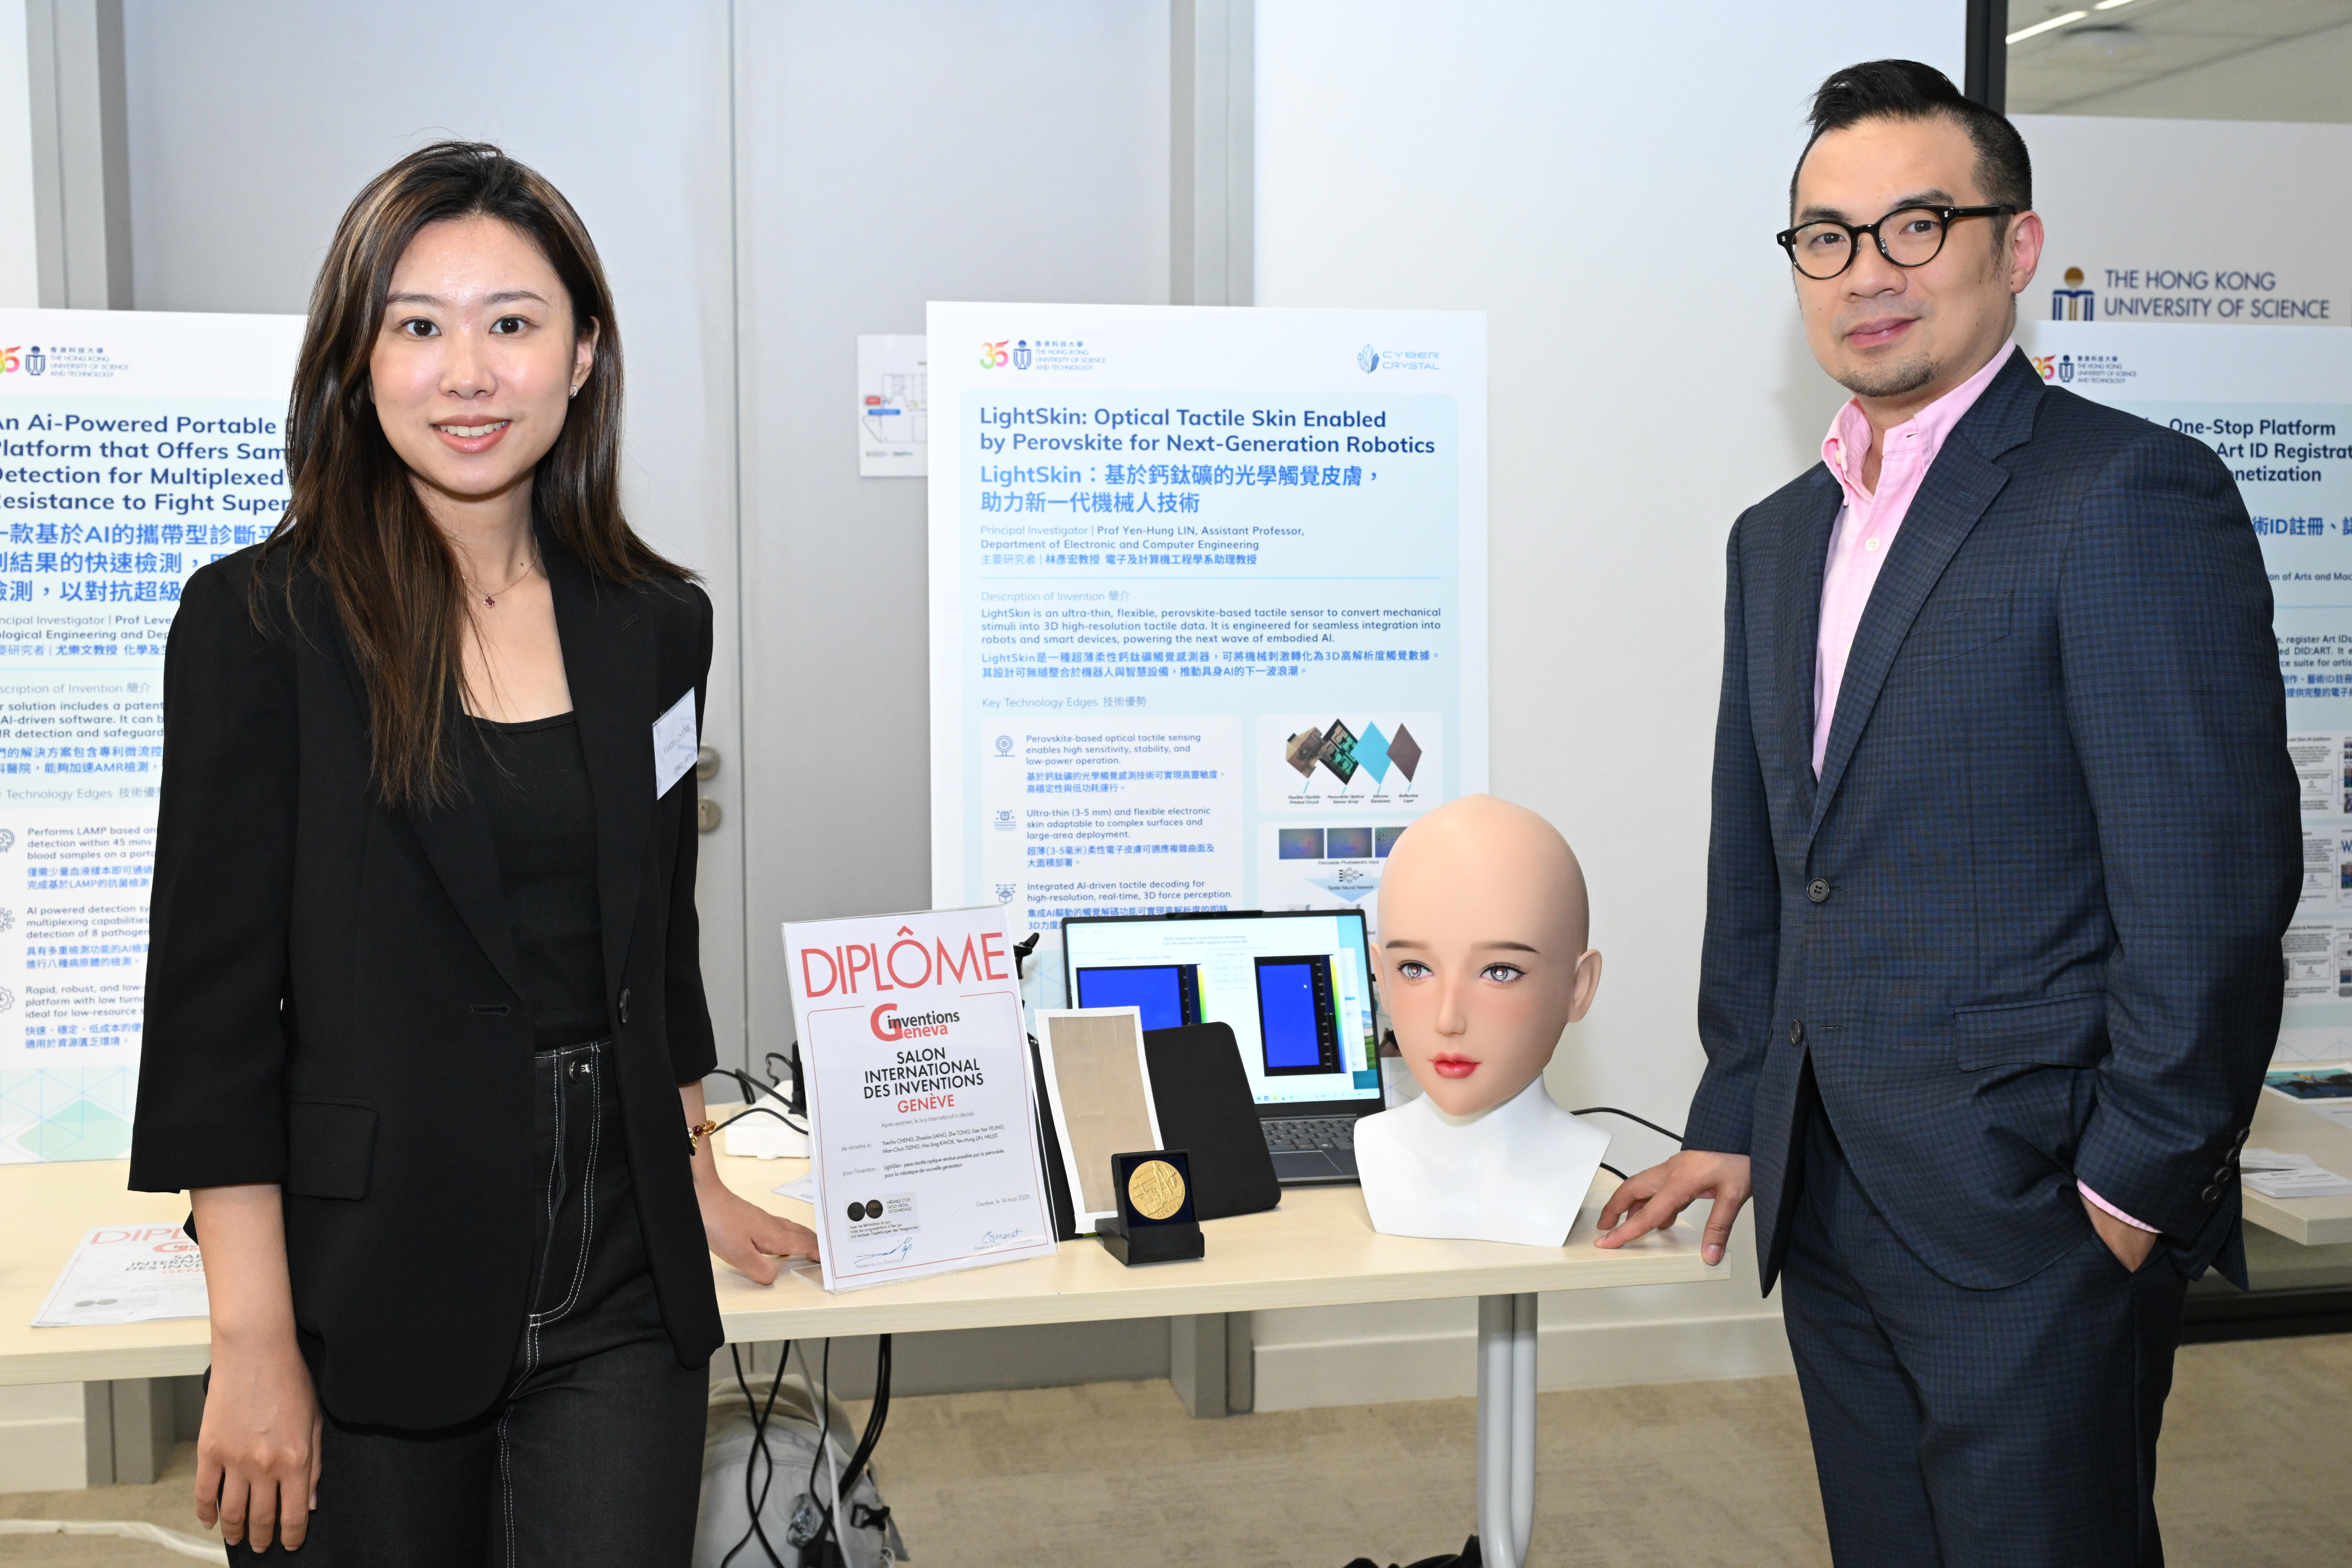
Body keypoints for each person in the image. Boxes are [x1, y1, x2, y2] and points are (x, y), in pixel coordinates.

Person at [1593, 61, 2299, 1566]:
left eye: (1918, 226)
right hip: (1829, 1194)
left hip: (2034, 1216)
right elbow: (1774, 860)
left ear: (2016, 246)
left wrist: (2124, 1193)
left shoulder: (2126, 496)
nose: (1869, 273)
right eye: (1828, 237)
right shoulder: (1780, 536)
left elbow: (2210, 883)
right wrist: (1737, 1113)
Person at [129, 142, 819, 1565]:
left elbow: (654, 937)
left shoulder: (655, 625)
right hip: (375, 1260)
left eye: (513, 324)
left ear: (582, 357)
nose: (468, 373)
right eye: (418, 325)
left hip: (623, 1260)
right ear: (356, 360)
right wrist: (251, 1338)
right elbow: (211, 1019)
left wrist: (690, 1168)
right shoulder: (259, 626)